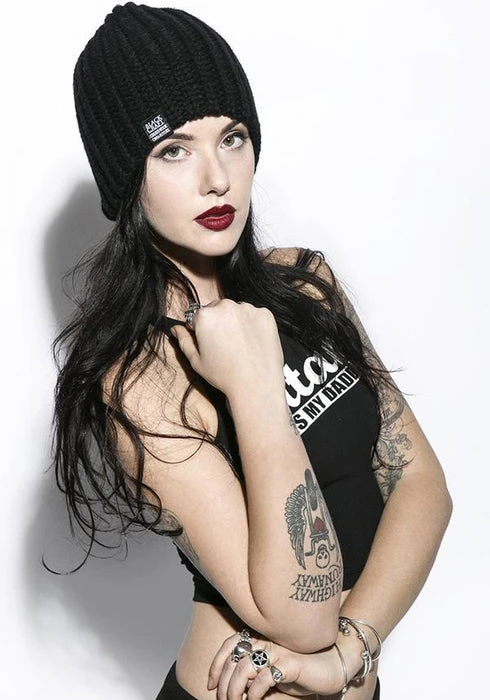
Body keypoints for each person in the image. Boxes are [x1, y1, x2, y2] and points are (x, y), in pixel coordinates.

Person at [50, 3, 452, 699]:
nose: (217, 177)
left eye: (232, 138)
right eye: (173, 150)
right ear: (128, 180)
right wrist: (254, 387)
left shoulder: (307, 285)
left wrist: (347, 655)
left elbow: (423, 487)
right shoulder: (140, 382)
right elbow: (301, 616)